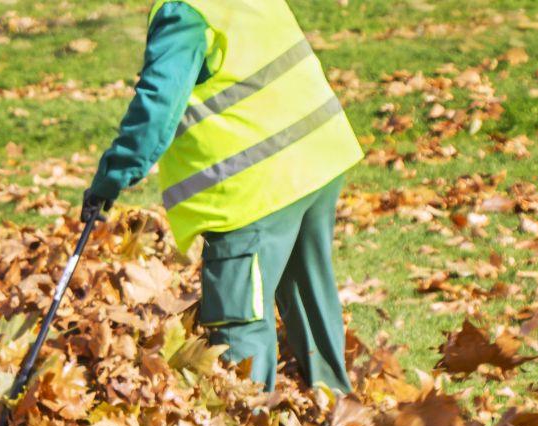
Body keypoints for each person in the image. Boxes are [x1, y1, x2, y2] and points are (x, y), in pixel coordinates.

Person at [83, 0, 362, 392]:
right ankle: (339, 407)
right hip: (315, 155)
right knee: (307, 290)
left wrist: (112, 176)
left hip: (253, 184)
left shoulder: (183, 13)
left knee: (238, 319)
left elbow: (158, 105)